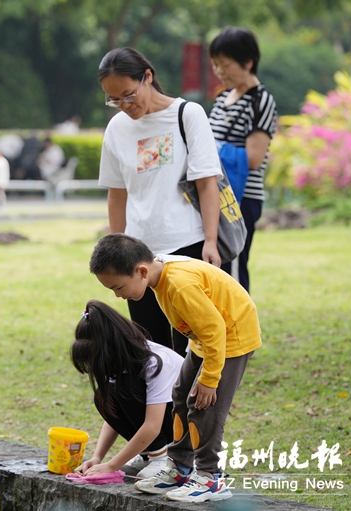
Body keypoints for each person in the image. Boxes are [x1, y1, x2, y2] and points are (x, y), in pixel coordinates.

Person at [90, 233, 261, 503]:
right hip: (203, 339)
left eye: (118, 288)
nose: (118, 296)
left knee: (205, 405)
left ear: (141, 271)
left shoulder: (179, 285)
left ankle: (209, 477)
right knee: (181, 394)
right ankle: (180, 467)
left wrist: (209, 379)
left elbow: (216, 329)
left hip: (231, 338)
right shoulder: (159, 274)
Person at [97, 47, 223, 356]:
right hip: (139, 255)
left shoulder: (187, 114)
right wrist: (118, 250)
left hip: (188, 247)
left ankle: (193, 407)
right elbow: (117, 193)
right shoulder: (117, 127)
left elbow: (207, 183)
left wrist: (210, 240)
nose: (124, 106)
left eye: (128, 95)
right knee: (152, 350)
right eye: (114, 100)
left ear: (148, 77)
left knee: (193, 348)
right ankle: (162, 408)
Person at [70, 300, 183, 481]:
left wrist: (112, 465)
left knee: (125, 391)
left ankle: (163, 460)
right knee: (103, 396)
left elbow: (152, 426)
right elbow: (114, 413)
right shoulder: (123, 362)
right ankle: (150, 456)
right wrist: (97, 457)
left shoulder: (155, 362)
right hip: (165, 424)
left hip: (188, 428)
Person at [208, 27, 278, 292]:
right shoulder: (223, 97)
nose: (219, 71)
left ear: (248, 62)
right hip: (214, 194)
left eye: (225, 65)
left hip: (240, 198)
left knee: (232, 268)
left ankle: (241, 331)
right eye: (215, 65)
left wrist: (211, 150)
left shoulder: (260, 101)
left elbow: (253, 158)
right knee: (214, 267)